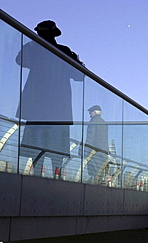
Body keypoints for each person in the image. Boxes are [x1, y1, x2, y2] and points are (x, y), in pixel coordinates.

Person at [16, 20, 83, 176]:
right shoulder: (63, 51)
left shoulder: (34, 50)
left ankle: (37, 176)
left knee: (36, 149)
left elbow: (19, 60)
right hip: (59, 109)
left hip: (36, 108)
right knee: (57, 150)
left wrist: (31, 44)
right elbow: (79, 75)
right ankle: (56, 178)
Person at [84, 105, 109, 182]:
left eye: (90, 112)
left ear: (94, 112)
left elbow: (90, 137)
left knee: (94, 173)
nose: (90, 114)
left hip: (94, 152)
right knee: (100, 175)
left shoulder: (93, 122)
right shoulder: (104, 123)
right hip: (103, 153)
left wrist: (86, 151)